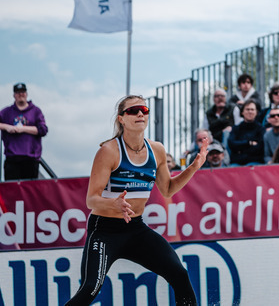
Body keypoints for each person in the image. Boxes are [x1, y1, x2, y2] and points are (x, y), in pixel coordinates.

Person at [65, 96, 203, 305]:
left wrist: (192, 168)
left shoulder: (156, 149)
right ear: (121, 118)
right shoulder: (109, 151)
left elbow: (167, 190)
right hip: (105, 231)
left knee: (179, 275)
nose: (140, 114)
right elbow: (91, 200)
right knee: (90, 289)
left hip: (135, 229)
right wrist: (114, 204)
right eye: (133, 110)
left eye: (144, 110)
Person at [1, 83, 47, 180]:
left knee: (30, 192)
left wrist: (23, 129)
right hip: (12, 159)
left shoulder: (35, 111)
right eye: (18, 92)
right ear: (14, 95)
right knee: (12, 192)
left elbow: (43, 130)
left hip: (31, 159)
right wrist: (6, 127)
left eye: (22, 92)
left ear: (26, 94)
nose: (20, 94)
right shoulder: (6, 112)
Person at [227, 100, 265, 166]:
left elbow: (259, 147)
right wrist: (249, 143)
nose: (250, 112)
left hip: (254, 162)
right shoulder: (236, 128)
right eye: (247, 109)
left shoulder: (261, 129)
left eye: (252, 109)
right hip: (237, 162)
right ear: (242, 112)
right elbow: (231, 144)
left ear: (256, 112)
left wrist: (240, 149)